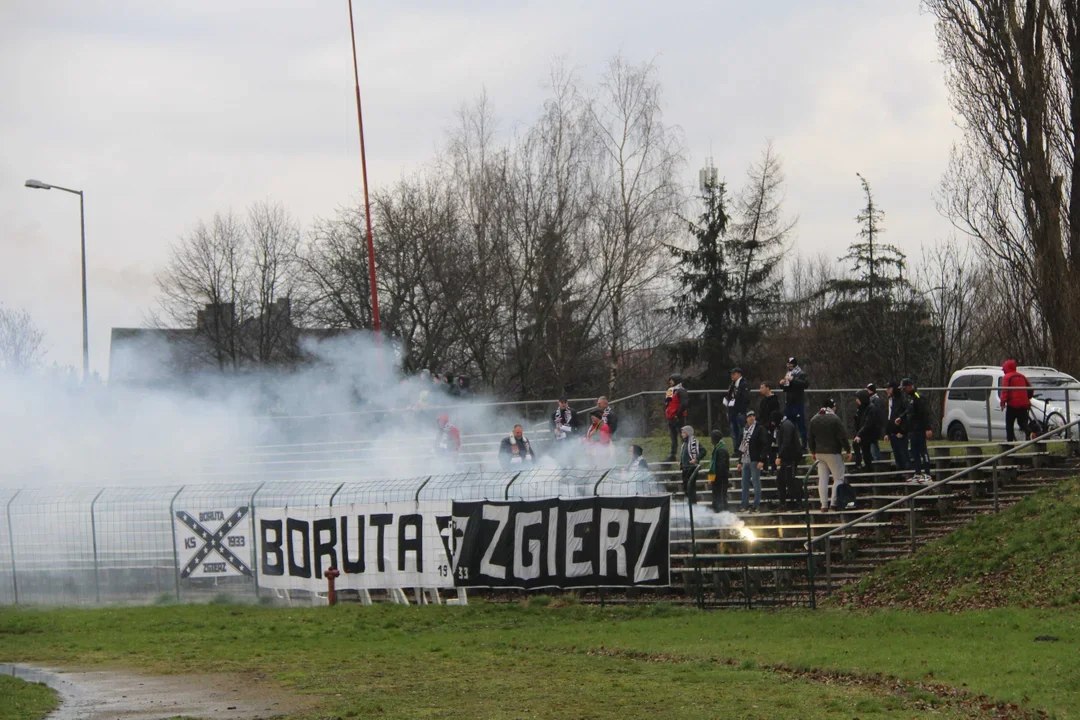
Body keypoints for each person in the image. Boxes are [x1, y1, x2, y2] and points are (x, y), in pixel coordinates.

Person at [808, 399, 852, 512]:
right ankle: (834, 502)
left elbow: (810, 438)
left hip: (819, 453)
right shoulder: (834, 419)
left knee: (823, 479)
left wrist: (813, 451)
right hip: (833, 452)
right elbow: (842, 436)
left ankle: (823, 504)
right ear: (832, 407)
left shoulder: (814, 419)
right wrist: (848, 450)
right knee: (838, 478)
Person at [899, 378, 933, 483]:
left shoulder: (918, 397)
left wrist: (928, 428)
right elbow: (909, 411)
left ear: (910, 386)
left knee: (923, 451)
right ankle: (918, 473)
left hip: (920, 429)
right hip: (912, 430)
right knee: (914, 452)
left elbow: (924, 413)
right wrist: (901, 417)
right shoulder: (909, 398)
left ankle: (927, 474)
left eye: (904, 388)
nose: (903, 390)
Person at [736, 411, 768, 512]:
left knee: (755, 482)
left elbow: (764, 444)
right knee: (744, 483)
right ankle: (744, 504)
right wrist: (739, 461)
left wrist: (762, 459)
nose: (752, 418)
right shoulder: (744, 430)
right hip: (745, 459)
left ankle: (756, 505)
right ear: (746, 418)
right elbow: (742, 446)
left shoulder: (759, 428)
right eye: (749, 416)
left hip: (755, 459)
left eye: (753, 416)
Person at [773, 411, 804, 511]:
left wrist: (779, 456)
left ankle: (799, 503)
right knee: (780, 480)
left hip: (791, 457)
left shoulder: (787, 425)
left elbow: (786, 442)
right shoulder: (783, 425)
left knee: (790, 480)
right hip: (786, 457)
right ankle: (783, 504)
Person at [1000, 359, 1034, 442]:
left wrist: (1003, 402)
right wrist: (1028, 398)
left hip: (1013, 404)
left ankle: (1010, 441)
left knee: (1009, 423)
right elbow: (1030, 388)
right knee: (1022, 422)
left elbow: (1005, 391)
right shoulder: (1022, 376)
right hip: (1024, 404)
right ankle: (1028, 432)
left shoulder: (1007, 377)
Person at [779, 357, 810, 446]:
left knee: (801, 424)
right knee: (789, 424)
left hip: (798, 403)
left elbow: (805, 384)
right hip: (789, 402)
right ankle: (791, 444)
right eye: (788, 364)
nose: (788, 366)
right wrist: (781, 384)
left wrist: (793, 380)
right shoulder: (788, 373)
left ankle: (804, 444)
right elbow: (786, 388)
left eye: (790, 364)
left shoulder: (801, 373)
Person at [853, 389, 884, 473]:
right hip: (864, 434)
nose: (856, 401)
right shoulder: (861, 409)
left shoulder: (871, 408)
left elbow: (868, 423)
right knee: (861, 448)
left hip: (869, 434)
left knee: (867, 451)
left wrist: (859, 434)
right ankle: (861, 466)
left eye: (858, 398)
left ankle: (867, 467)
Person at [884, 380, 910, 471]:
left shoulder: (902, 401)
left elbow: (907, 416)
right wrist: (887, 432)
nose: (887, 390)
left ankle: (906, 472)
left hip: (900, 432)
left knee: (903, 454)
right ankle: (900, 472)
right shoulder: (891, 401)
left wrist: (902, 431)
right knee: (897, 454)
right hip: (893, 432)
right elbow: (889, 417)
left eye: (889, 388)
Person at [724, 367, 751, 451]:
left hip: (740, 412)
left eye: (734, 374)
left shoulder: (743, 384)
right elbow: (729, 396)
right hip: (732, 412)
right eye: (731, 374)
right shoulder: (732, 384)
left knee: (741, 432)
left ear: (739, 374)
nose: (732, 376)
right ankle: (735, 449)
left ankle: (741, 449)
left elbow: (746, 398)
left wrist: (741, 409)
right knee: (733, 432)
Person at [664, 374, 690, 462]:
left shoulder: (681, 390)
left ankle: (687, 454)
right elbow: (667, 403)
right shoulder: (670, 390)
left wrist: (677, 415)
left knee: (683, 436)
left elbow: (684, 404)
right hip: (670, 417)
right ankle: (672, 455)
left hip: (678, 417)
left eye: (672, 380)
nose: (670, 382)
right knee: (673, 437)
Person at [758, 382, 781, 472]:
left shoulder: (774, 400)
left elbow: (776, 414)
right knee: (763, 447)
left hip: (771, 428)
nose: (761, 389)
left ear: (768, 388)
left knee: (771, 448)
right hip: (763, 426)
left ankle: (773, 467)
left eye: (762, 387)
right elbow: (761, 414)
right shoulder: (763, 401)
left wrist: (772, 425)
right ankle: (765, 467)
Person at [679, 425, 704, 503]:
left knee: (691, 487)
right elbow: (683, 455)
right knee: (686, 487)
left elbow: (703, 451)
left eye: (683, 432)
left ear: (688, 433)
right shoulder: (684, 444)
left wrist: (696, 459)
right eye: (682, 432)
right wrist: (681, 463)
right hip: (685, 468)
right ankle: (688, 503)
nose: (682, 434)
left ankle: (692, 504)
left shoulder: (694, 442)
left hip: (691, 468)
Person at [707, 429, 730, 512]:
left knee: (721, 496)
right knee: (716, 496)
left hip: (721, 477)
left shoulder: (721, 449)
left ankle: (723, 513)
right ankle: (716, 510)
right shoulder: (717, 448)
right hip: (716, 477)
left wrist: (715, 477)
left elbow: (721, 466)